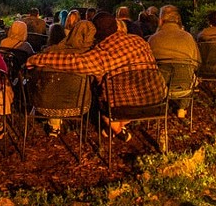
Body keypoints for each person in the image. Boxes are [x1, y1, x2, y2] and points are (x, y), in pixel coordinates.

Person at [27, 11, 166, 141]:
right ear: (116, 25)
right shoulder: (139, 41)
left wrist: (36, 59)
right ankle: (113, 129)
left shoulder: (103, 52)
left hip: (124, 106)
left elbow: (74, 62)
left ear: (96, 33)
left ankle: (117, 129)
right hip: (157, 98)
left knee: (103, 103)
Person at [148, 5, 201, 118]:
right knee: (190, 74)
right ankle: (182, 108)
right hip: (185, 86)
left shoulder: (153, 39)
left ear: (160, 21)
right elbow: (197, 63)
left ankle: (161, 106)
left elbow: (148, 65)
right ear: (178, 21)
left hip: (161, 87)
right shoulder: (188, 37)